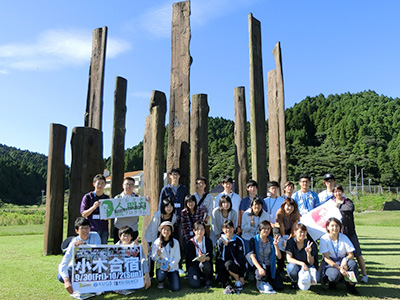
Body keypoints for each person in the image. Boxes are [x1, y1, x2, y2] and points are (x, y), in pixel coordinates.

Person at [57, 217, 101, 297]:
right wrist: (66, 280)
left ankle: (94, 287)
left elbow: (98, 252)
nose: (85, 231)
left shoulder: (95, 236)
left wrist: (84, 246)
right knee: (60, 276)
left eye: (87, 228)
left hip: (93, 266)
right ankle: (76, 287)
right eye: (82, 228)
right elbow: (63, 263)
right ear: (77, 231)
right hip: (77, 268)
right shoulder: (73, 243)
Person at [333, 184, 368, 283]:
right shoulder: (331, 203)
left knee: (357, 254)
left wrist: (338, 205)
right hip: (338, 235)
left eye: (339, 191)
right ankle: (342, 276)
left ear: (342, 192)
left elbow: (349, 208)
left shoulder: (347, 201)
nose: (338, 193)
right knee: (339, 255)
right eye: (335, 192)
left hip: (350, 233)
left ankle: (365, 275)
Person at [319, 217, 360, 296]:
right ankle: (332, 283)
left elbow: (351, 254)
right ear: (327, 227)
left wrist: (345, 260)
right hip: (331, 263)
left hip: (343, 261)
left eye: (337, 226)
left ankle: (351, 286)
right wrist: (339, 268)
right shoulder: (324, 239)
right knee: (333, 275)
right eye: (332, 226)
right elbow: (326, 258)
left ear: (340, 227)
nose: (335, 228)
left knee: (352, 264)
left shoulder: (344, 237)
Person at [159, 167, 187, 273]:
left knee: (179, 242)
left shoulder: (183, 189)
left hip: (179, 220)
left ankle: (178, 265)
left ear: (179, 176)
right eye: (173, 174)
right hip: (168, 219)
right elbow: (160, 205)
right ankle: (165, 263)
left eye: (177, 175)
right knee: (167, 241)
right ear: (170, 176)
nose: (175, 177)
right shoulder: (165, 189)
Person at [145, 198, 177, 278]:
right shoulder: (157, 215)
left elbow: (170, 228)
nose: (169, 208)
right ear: (163, 207)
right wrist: (153, 243)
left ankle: (165, 270)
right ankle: (150, 273)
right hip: (153, 236)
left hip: (165, 236)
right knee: (152, 255)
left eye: (171, 206)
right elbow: (153, 230)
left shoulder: (173, 216)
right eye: (167, 206)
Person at [248, 220, 283, 294]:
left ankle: (266, 281)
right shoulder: (254, 240)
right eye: (264, 228)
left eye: (268, 229)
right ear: (260, 229)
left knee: (279, 286)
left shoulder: (271, 240)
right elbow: (252, 256)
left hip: (270, 265)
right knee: (260, 274)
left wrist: (276, 246)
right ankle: (260, 282)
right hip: (259, 266)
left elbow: (279, 257)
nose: (266, 231)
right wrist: (259, 268)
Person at [114, 226, 151, 294]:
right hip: (120, 273)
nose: (126, 238)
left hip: (133, 272)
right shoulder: (115, 247)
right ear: (120, 237)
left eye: (128, 236)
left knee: (142, 285)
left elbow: (143, 260)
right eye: (124, 236)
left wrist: (147, 275)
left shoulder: (137, 246)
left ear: (131, 237)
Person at [215, 220, 247, 294]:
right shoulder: (220, 241)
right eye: (226, 228)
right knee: (221, 281)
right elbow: (219, 258)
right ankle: (227, 282)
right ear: (223, 229)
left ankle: (238, 280)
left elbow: (241, 258)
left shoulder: (239, 240)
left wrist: (242, 275)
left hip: (235, 266)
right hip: (223, 266)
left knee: (228, 264)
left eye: (230, 228)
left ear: (233, 228)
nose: (228, 230)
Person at [285, 223, 319, 290]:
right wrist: (302, 263)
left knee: (317, 277)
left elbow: (311, 263)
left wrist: (308, 253)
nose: (303, 234)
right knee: (291, 268)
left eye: (304, 232)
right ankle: (294, 281)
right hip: (296, 266)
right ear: (295, 232)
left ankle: (306, 282)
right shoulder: (290, 242)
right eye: (300, 232)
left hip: (307, 267)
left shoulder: (309, 243)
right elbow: (289, 259)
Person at [274, 198, 301, 277]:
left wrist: (291, 235)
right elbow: (281, 225)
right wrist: (284, 238)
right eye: (288, 206)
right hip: (279, 229)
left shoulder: (296, 213)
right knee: (281, 247)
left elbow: (294, 225)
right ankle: (280, 268)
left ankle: (293, 267)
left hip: (290, 229)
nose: (289, 208)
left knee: (291, 245)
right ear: (284, 205)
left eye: (292, 206)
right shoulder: (280, 212)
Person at [151, 221, 181, 291]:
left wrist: (170, 266)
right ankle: (161, 281)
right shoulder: (156, 242)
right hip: (161, 267)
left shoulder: (175, 242)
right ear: (161, 231)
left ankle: (171, 280)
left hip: (172, 268)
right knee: (161, 276)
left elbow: (177, 257)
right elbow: (153, 258)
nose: (166, 231)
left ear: (171, 231)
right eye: (164, 229)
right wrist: (157, 254)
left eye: (168, 230)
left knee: (176, 288)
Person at [80, 174, 110, 244]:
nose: (100, 185)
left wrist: (108, 217)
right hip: (91, 229)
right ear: (94, 184)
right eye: (98, 183)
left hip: (103, 229)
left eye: (102, 183)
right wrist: (93, 207)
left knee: (103, 251)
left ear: (105, 185)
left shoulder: (107, 198)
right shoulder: (87, 197)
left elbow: (110, 214)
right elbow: (83, 214)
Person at [186, 221, 214, 289]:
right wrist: (198, 258)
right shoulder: (190, 243)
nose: (200, 231)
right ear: (194, 231)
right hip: (194, 266)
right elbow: (189, 259)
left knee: (205, 264)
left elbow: (210, 256)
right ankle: (198, 278)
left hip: (204, 264)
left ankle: (207, 279)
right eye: (197, 229)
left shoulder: (208, 241)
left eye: (202, 229)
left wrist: (205, 258)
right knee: (194, 285)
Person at [112, 177, 139, 244]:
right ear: (123, 185)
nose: (128, 186)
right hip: (119, 230)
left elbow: (144, 212)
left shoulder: (138, 199)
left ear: (134, 186)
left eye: (131, 184)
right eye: (126, 184)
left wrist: (147, 202)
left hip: (133, 230)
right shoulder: (117, 198)